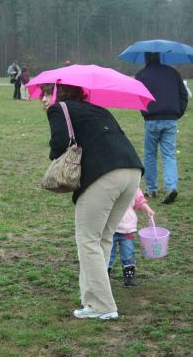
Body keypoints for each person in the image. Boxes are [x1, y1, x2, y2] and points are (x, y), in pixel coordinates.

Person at [41, 83, 144, 320]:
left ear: (59, 93)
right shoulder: (98, 109)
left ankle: (103, 305)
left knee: (88, 239)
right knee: (103, 238)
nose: (44, 100)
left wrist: (54, 158)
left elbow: (59, 144)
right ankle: (92, 299)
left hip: (104, 174)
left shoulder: (59, 109)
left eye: (48, 93)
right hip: (131, 171)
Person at [135, 52, 188, 204]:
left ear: (146, 58)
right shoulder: (173, 72)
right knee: (169, 155)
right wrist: (178, 112)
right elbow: (183, 94)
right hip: (170, 119)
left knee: (150, 155)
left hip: (151, 119)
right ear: (160, 57)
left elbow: (137, 96)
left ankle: (151, 189)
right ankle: (171, 186)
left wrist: (144, 111)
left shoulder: (141, 74)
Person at [108, 187, 155, 287]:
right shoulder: (108, 183)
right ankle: (104, 276)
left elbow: (139, 200)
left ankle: (129, 276)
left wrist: (147, 209)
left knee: (128, 254)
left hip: (127, 229)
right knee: (107, 255)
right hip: (109, 228)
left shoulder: (132, 185)